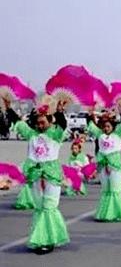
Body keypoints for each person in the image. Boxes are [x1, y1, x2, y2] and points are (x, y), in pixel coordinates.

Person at [4, 98, 70, 253]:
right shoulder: (32, 134)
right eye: (38, 123)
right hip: (35, 175)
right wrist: (8, 108)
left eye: (43, 122)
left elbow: (63, 126)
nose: (40, 126)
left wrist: (59, 111)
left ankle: (49, 239)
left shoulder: (55, 134)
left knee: (50, 206)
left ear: (49, 121)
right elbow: (19, 125)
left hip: (51, 174)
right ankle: (41, 239)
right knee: (40, 207)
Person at [86, 111, 121, 222]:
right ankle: (105, 213)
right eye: (104, 126)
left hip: (116, 167)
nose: (106, 128)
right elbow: (90, 125)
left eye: (108, 126)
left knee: (115, 190)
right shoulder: (100, 135)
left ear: (113, 127)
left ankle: (116, 212)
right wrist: (90, 115)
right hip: (103, 166)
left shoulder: (118, 134)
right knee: (106, 190)